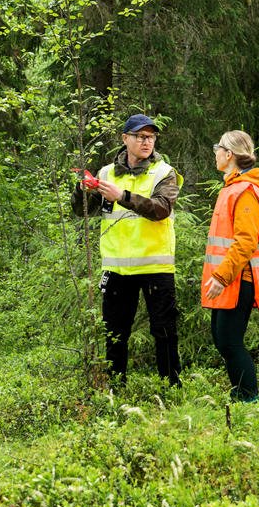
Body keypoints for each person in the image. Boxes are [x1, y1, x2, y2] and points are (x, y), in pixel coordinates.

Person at [72, 113, 182, 387]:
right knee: (115, 333)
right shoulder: (106, 173)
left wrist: (122, 197)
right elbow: (82, 211)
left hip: (156, 267)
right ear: (125, 139)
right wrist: (82, 190)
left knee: (164, 331)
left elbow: (160, 210)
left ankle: (170, 388)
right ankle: (115, 388)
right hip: (117, 268)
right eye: (141, 136)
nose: (147, 142)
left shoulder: (164, 172)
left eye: (151, 137)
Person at [201, 130, 259, 402]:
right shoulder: (233, 188)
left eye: (218, 148)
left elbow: (245, 242)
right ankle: (241, 393)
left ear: (229, 154)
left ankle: (248, 396)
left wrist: (221, 277)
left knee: (230, 341)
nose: (216, 153)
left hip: (239, 279)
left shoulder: (245, 191)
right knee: (223, 340)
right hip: (229, 279)